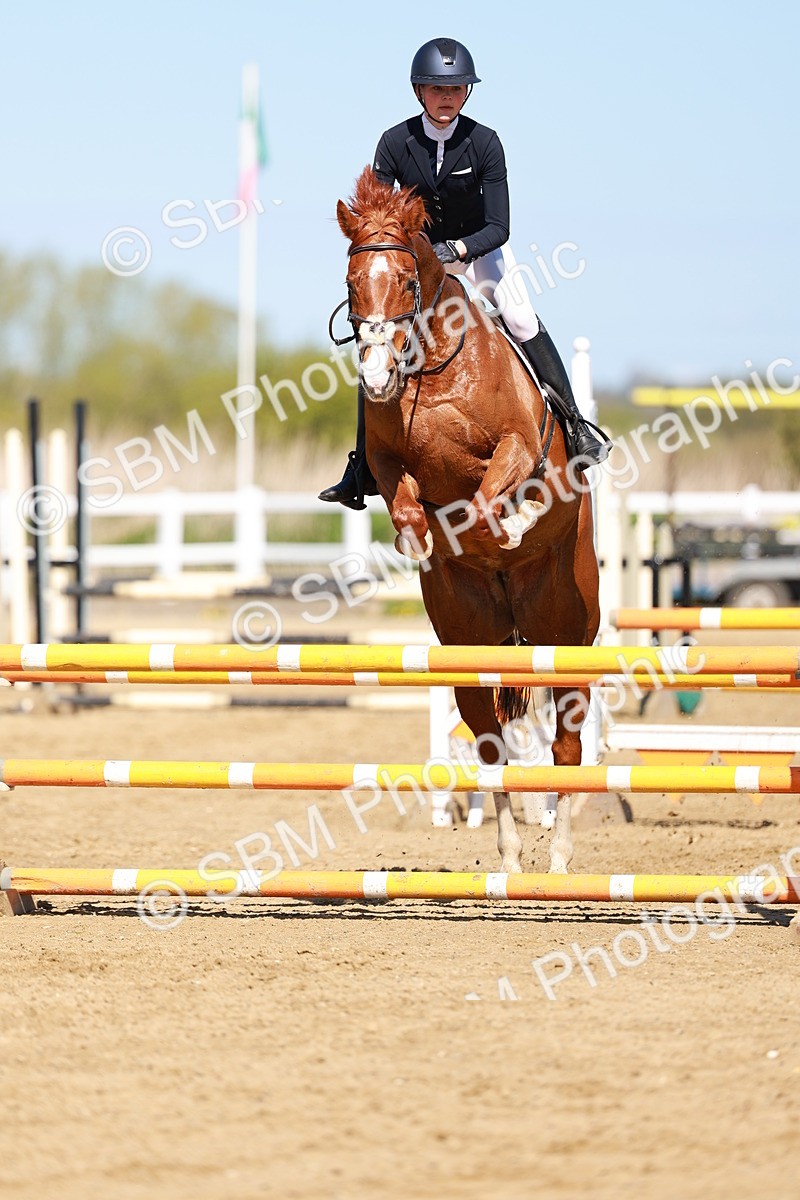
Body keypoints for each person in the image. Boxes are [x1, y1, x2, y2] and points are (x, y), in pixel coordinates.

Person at [319, 37, 610, 510]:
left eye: (456, 87)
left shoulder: (485, 142)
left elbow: (499, 225)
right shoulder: (394, 143)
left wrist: (457, 248)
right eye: (437, 87)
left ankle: (575, 426)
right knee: (376, 339)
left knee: (519, 318)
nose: (447, 96)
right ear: (419, 91)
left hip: (477, 251)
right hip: (414, 262)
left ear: (467, 92)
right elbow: (378, 210)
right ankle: (361, 466)